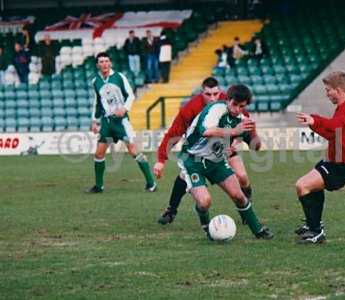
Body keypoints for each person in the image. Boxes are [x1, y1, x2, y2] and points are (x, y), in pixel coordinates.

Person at [154, 77, 258, 225]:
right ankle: (171, 210)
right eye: (208, 94)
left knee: (242, 176)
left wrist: (236, 142)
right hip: (199, 151)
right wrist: (160, 160)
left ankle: (246, 210)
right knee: (184, 175)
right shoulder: (190, 108)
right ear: (201, 93)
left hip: (224, 148)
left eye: (216, 94)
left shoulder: (232, 102)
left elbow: (243, 126)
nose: (213, 98)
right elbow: (173, 133)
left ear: (221, 93)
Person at [176, 84, 273, 240]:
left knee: (239, 196)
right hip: (192, 160)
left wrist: (253, 132)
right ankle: (208, 228)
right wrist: (234, 132)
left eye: (241, 106)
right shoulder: (216, 109)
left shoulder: (241, 119)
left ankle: (258, 230)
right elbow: (207, 131)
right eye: (234, 104)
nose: (237, 109)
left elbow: (256, 147)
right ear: (228, 99)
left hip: (217, 162)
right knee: (204, 202)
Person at [295, 71, 345, 244]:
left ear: (339, 89)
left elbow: (335, 127)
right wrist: (314, 124)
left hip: (341, 167)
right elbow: (333, 133)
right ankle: (314, 224)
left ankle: (316, 232)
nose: (326, 94)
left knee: (302, 186)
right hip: (334, 161)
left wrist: (315, 120)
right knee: (309, 187)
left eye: (328, 90)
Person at [86, 52, 157, 194]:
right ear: (97, 65)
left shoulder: (119, 77)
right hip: (107, 123)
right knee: (99, 154)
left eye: (106, 61)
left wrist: (124, 108)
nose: (104, 64)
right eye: (101, 62)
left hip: (121, 122)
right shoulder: (96, 82)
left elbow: (130, 95)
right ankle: (99, 186)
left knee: (133, 151)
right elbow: (97, 102)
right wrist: (95, 120)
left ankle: (151, 182)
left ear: (110, 63)